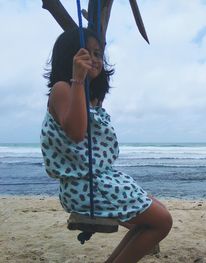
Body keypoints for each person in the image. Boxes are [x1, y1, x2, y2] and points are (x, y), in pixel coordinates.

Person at [40, 28, 172, 263]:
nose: (94, 58)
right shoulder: (63, 89)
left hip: (99, 179)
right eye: (86, 53)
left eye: (98, 53)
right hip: (85, 187)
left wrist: (83, 84)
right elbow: (77, 133)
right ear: (70, 56)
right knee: (162, 221)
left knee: (153, 215)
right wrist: (78, 78)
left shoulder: (92, 97)